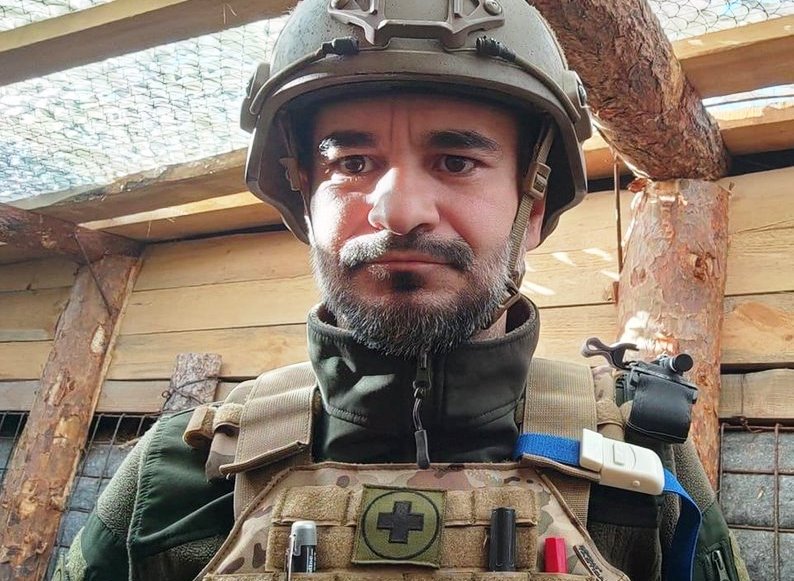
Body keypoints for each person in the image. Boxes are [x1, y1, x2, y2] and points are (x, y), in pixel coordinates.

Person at [59, 1, 748, 580]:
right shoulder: (179, 472)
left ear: (532, 209)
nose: (398, 211)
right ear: (305, 204)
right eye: (352, 162)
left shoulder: (642, 463)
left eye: (456, 161)